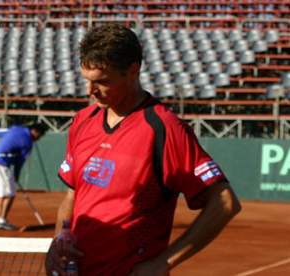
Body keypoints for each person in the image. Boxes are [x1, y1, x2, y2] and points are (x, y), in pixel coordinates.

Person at [45, 24, 242, 275]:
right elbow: (72, 197)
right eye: (87, 80)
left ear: (133, 71)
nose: (91, 91)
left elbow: (225, 203)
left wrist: (163, 263)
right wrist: (60, 237)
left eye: (103, 82)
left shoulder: (165, 128)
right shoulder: (82, 120)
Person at [0, 123, 48, 230]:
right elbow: (19, 163)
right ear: (35, 131)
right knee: (10, 194)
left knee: (3, 194)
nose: (39, 138)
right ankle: (1, 220)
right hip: (2, 164)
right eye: (40, 135)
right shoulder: (27, 142)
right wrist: (16, 176)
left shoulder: (16, 128)